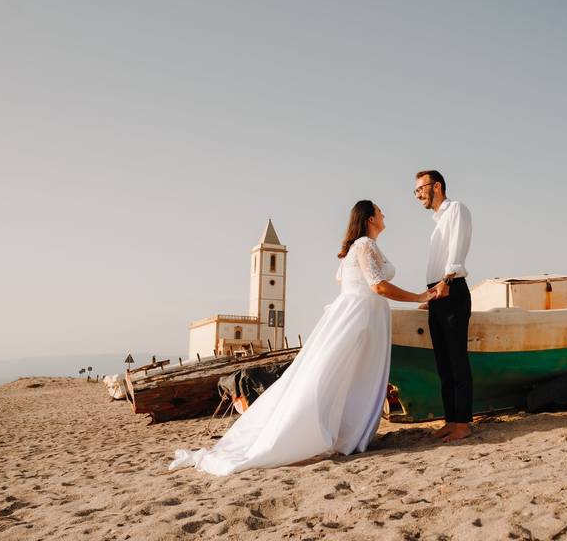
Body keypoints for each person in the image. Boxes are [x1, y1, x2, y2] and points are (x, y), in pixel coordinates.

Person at [170, 200, 444, 475]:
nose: (384, 213)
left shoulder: (357, 248)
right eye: (379, 210)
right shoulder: (364, 245)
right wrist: (419, 297)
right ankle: (337, 434)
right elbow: (378, 285)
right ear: (370, 218)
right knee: (347, 375)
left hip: (358, 314)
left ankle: (342, 432)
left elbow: (344, 280)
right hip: (360, 318)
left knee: (343, 375)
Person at [414, 170, 473, 442]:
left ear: (436, 186)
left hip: (451, 288)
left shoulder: (456, 209)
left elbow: (458, 248)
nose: (418, 195)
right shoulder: (436, 222)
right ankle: (452, 420)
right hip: (437, 294)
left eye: (420, 189)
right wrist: (431, 295)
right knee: (443, 364)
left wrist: (446, 280)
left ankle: (463, 423)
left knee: (457, 360)